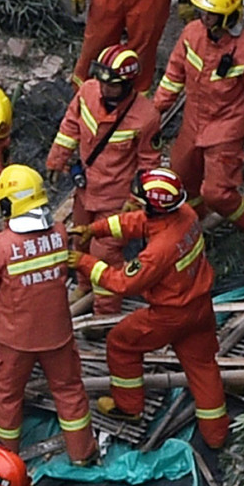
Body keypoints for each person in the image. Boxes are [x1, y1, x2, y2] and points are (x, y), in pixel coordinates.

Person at [68, 168, 229, 449]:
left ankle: (129, 407)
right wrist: (96, 229)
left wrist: (83, 262)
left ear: (156, 208)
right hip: (201, 306)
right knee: (203, 368)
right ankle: (217, 436)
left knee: (121, 343)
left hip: (169, 315)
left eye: (141, 201)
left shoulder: (158, 252)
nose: (136, 204)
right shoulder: (185, 217)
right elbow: (139, 223)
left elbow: (122, 283)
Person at [0, 165, 97, 466]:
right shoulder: (59, 233)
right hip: (58, 332)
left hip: (14, 339)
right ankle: (83, 454)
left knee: (6, 397)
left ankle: (5, 460)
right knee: (70, 391)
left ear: (9, 205)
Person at [153, 0, 244, 233]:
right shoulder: (192, 34)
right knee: (181, 177)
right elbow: (174, 74)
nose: (204, 18)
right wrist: (156, 111)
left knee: (218, 193)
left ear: (229, 17)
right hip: (193, 123)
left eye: (211, 14)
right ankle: (195, 222)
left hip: (226, 129)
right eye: (203, 12)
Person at [46, 44, 161, 313]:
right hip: (86, 189)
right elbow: (71, 124)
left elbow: (149, 164)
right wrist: (58, 157)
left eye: (112, 84)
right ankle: (84, 285)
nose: (104, 88)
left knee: (105, 255)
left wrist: (135, 201)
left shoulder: (145, 117)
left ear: (127, 85)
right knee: (79, 241)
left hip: (116, 199)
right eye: (101, 80)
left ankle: (105, 312)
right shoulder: (88, 92)